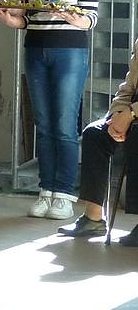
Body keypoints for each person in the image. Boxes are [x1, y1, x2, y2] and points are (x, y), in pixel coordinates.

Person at [0, 0, 101, 220]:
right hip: (36, 49)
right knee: (43, 123)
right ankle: (46, 190)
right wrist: (11, 20)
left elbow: (90, 18)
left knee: (64, 124)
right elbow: (27, 16)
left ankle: (64, 194)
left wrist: (71, 17)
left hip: (69, 53)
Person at [58, 38, 138, 242]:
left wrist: (131, 114)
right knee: (94, 133)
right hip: (130, 114)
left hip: (134, 115)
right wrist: (116, 116)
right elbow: (127, 88)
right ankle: (93, 218)